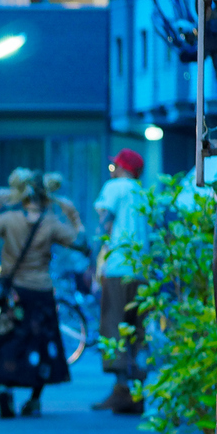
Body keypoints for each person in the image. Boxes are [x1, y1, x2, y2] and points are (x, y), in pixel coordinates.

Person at [0, 172, 80, 418]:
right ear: (46, 198)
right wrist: (73, 216)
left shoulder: (8, 219)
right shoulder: (51, 224)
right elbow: (82, 242)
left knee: (9, 341)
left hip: (14, 294)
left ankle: (4, 389)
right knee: (41, 346)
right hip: (41, 292)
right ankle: (34, 400)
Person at [94, 148, 150, 414]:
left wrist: (98, 260)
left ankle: (121, 389)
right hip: (142, 270)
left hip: (118, 267)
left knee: (114, 326)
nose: (112, 169)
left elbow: (105, 223)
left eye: (115, 165)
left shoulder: (115, 187)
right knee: (138, 328)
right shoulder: (143, 192)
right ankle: (137, 393)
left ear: (123, 167)